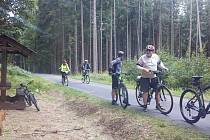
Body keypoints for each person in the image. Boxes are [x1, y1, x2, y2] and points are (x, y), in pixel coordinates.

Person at [136, 45, 168, 112]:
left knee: (158, 90)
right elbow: (137, 66)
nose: (148, 51)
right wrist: (144, 69)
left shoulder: (156, 56)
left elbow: (160, 63)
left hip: (154, 77)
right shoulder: (142, 57)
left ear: (153, 51)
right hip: (145, 77)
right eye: (147, 50)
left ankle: (158, 105)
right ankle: (145, 106)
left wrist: (164, 67)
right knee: (145, 92)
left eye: (150, 50)